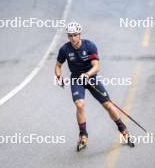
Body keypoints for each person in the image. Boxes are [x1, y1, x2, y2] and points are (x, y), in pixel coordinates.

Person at [54, 22, 133, 151]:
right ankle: (83, 134)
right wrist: (59, 77)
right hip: (76, 79)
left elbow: (96, 66)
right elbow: (58, 65)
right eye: (70, 36)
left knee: (107, 104)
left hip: (91, 77)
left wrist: (87, 74)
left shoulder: (89, 46)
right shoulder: (65, 49)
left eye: (75, 35)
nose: (73, 38)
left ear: (79, 34)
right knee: (79, 104)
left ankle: (122, 128)